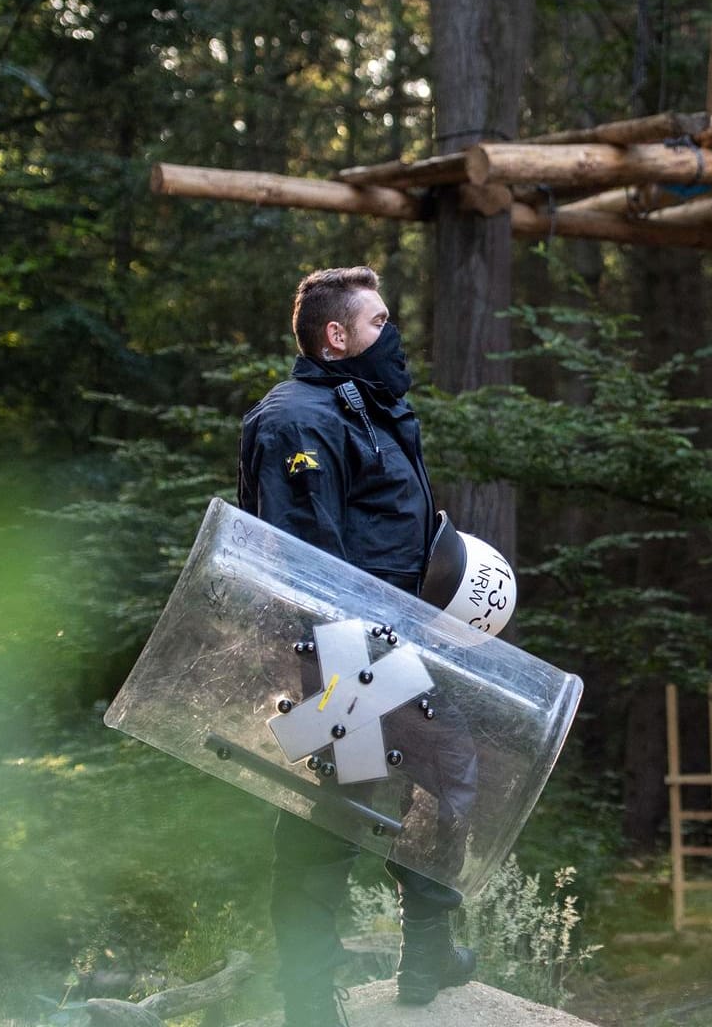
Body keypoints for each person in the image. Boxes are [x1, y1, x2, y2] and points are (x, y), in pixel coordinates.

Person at [238, 266, 474, 1023]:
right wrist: (346, 676)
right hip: (341, 655)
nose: (392, 337)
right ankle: (308, 1000)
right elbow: (305, 561)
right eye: (379, 323)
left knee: (445, 779)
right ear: (336, 336)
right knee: (331, 820)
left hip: (397, 644)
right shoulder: (296, 422)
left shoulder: (366, 410)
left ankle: (429, 954)